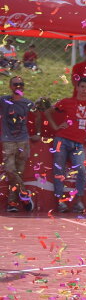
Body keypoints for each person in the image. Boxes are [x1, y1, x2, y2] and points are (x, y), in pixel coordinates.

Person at [46, 78, 86, 213]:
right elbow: (49, 112)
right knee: (59, 171)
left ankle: (78, 202)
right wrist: (56, 127)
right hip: (62, 140)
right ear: (77, 88)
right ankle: (61, 202)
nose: (84, 90)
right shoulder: (67, 101)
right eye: (82, 87)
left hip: (78, 144)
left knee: (81, 171)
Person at [0, 76, 33, 211]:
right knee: (9, 170)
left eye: (21, 84)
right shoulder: (3, 101)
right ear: (10, 86)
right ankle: (24, 193)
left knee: (19, 173)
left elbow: (37, 117)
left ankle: (12, 204)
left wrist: (36, 132)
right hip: (8, 141)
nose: (18, 86)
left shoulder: (28, 103)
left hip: (23, 140)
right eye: (15, 84)